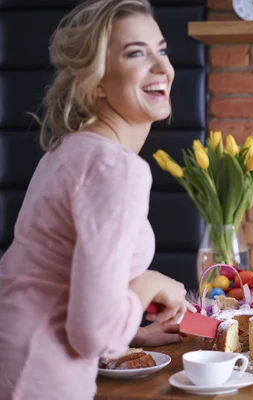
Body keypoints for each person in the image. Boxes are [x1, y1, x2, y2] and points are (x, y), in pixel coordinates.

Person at [0, 1, 195, 398]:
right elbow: (92, 336)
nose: (162, 67)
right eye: (136, 53)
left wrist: (135, 334)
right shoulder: (117, 169)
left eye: (161, 49)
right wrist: (149, 282)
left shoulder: (70, 149)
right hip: (40, 375)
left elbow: (54, 280)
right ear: (96, 82)